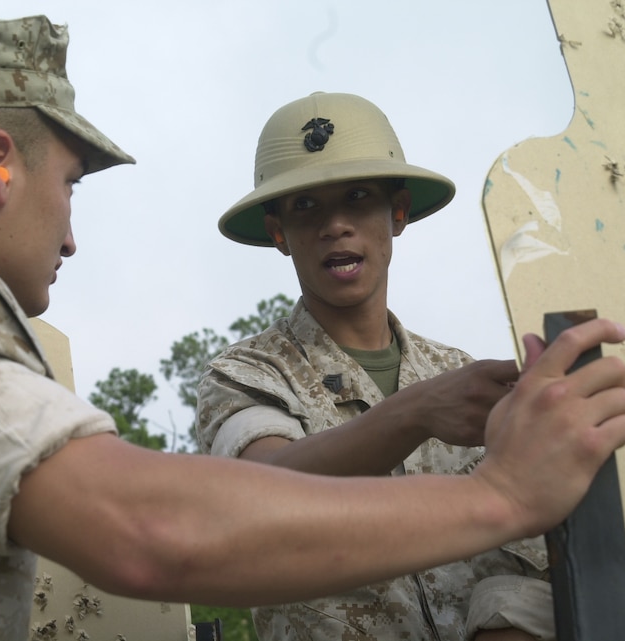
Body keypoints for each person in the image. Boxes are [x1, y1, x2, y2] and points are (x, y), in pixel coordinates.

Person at [0, 16, 625, 640]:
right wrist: (500, 492)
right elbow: (149, 530)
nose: (73, 233)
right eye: (73, 183)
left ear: (397, 215)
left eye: (357, 201)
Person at [197, 92, 566, 640]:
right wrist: (414, 413)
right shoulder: (248, 374)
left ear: (397, 213)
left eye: (358, 197)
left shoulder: (460, 373)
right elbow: (263, 492)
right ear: (278, 232)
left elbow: (538, 541)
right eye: (305, 206)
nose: (335, 225)